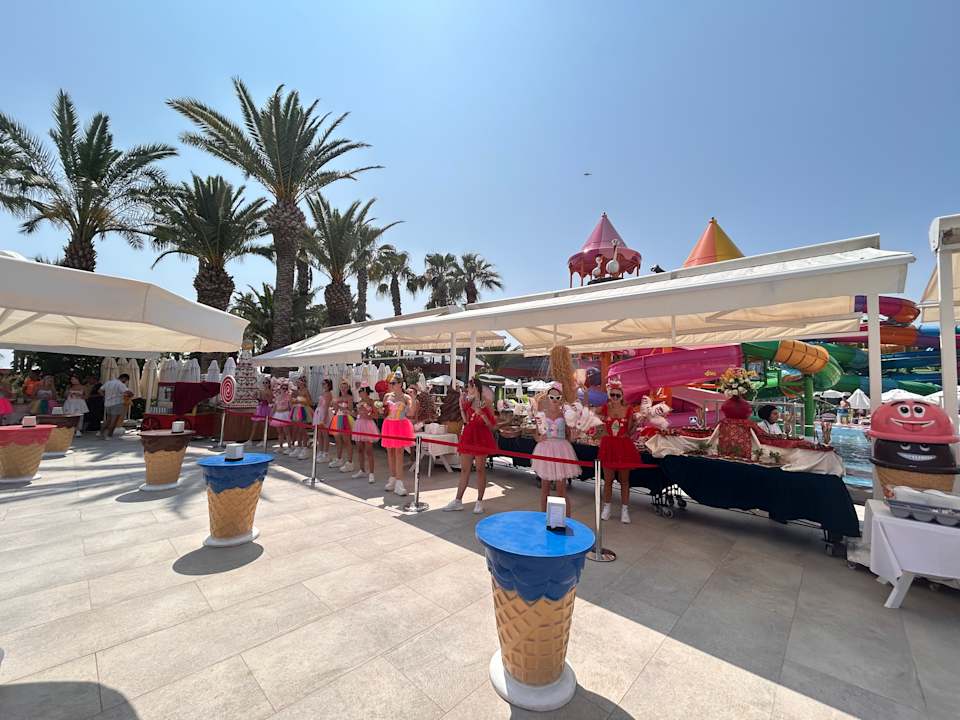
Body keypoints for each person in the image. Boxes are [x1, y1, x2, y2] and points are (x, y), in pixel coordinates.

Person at [443, 376, 497, 514]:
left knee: (480, 470)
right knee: (464, 470)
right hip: (468, 435)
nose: (467, 389)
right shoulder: (468, 402)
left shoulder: (486, 403)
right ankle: (458, 501)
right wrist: (461, 407)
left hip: (481, 437)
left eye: (469, 387)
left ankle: (479, 501)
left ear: (476, 387)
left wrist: (482, 414)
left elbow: (492, 426)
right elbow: (466, 421)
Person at [598, 377, 640, 524]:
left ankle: (625, 510)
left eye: (618, 395)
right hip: (608, 446)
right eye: (612, 395)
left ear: (622, 396)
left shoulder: (629, 410)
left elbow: (630, 432)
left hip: (623, 446)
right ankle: (607, 508)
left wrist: (637, 423)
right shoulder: (605, 408)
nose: (615, 397)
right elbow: (592, 417)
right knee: (608, 480)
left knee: (624, 481)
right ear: (609, 395)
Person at [532, 382, 579, 516]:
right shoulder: (541, 414)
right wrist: (538, 438)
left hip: (561, 450)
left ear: (561, 398)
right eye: (551, 397)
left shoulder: (566, 414)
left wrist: (574, 435)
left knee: (561, 490)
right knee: (545, 488)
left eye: (557, 397)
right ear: (547, 397)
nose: (554, 400)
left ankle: (567, 520)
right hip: (545, 449)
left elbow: (570, 436)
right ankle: (543, 518)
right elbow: (536, 433)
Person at [380, 371, 416, 496]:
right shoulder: (387, 396)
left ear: (400, 384)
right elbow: (383, 411)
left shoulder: (406, 397)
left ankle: (399, 483)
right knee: (390, 452)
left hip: (400, 425)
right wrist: (380, 408)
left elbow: (411, 413)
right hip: (389, 424)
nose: (391, 385)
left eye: (393, 383)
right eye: (390, 383)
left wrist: (413, 398)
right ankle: (392, 478)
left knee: (399, 453)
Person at [352, 383, 381, 483]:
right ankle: (362, 470)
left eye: (362, 391)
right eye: (359, 391)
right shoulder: (359, 402)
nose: (360, 393)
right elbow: (357, 414)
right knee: (360, 449)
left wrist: (368, 414)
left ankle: (371, 473)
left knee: (369, 451)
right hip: (359, 425)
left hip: (368, 426)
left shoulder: (372, 402)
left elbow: (376, 415)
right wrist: (352, 413)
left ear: (366, 392)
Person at [329, 377, 355, 471]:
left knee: (347, 441)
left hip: (345, 418)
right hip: (337, 418)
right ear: (339, 388)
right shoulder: (337, 398)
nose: (343, 389)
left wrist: (339, 406)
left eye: (345, 387)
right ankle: (339, 458)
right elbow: (335, 411)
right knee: (338, 440)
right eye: (342, 387)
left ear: (348, 388)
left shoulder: (349, 397)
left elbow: (350, 409)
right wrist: (334, 406)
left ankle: (350, 462)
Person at [98, 373, 132, 439]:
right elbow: (128, 392)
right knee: (114, 420)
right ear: (124, 378)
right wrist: (130, 394)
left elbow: (99, 390)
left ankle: (101, 433)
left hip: (107, 403)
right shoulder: (120, 384)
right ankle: (109, 435)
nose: (125, 382)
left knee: (108, 420)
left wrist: (105, 396)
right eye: (126, 380)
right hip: (117, 403)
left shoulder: (108, 382)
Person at [288, 376, 314, 460]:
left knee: (301, 430)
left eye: (299, 382)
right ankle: (298, 447)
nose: (298, 383)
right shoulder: (296, 391)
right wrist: (293, 400)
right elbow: (291, 401)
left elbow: (310, 402)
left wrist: (301, 400)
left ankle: (305, 448)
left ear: (303, 383)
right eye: (297, 382)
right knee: (297, 430)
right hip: (296, 410)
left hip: (303, 410)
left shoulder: (305, 391)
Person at [246, 378, 273, 446]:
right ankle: (250, 440)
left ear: (269, 384)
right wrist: (255, 396)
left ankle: (263, 440)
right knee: (254, 424)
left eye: (266, 383)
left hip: (265, 408)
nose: (265, 384)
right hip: (260, 407)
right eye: (263, 383)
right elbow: (259, 399)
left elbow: (270, 402)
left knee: (264, 425)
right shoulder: (261, 390)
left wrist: (266, 397)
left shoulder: (270, 392)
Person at [270, 379, 294, 454]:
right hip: (277, 415)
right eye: (283, 388)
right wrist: (271, 415)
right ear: (280, 388)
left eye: (286, 388)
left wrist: (292, 415)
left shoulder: (288, 397)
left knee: (287, 432)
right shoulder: (277, 397)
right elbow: (274, 407)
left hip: (285, 414)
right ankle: (280, 447)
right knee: (279, 432)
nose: (284, 390)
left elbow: (291, 407)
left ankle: (289, 447)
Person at [314, 379, 333, 461]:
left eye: (324, 383)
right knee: (319, 434)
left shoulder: (328, 394)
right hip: (319, 412)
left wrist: (324, 417)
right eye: (322, 383)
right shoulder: (323, 392)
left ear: (328, 385)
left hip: (323, 413)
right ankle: (321, 451)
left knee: (325, 434)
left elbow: (326, 406)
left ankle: (326, 453)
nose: (323, 385)